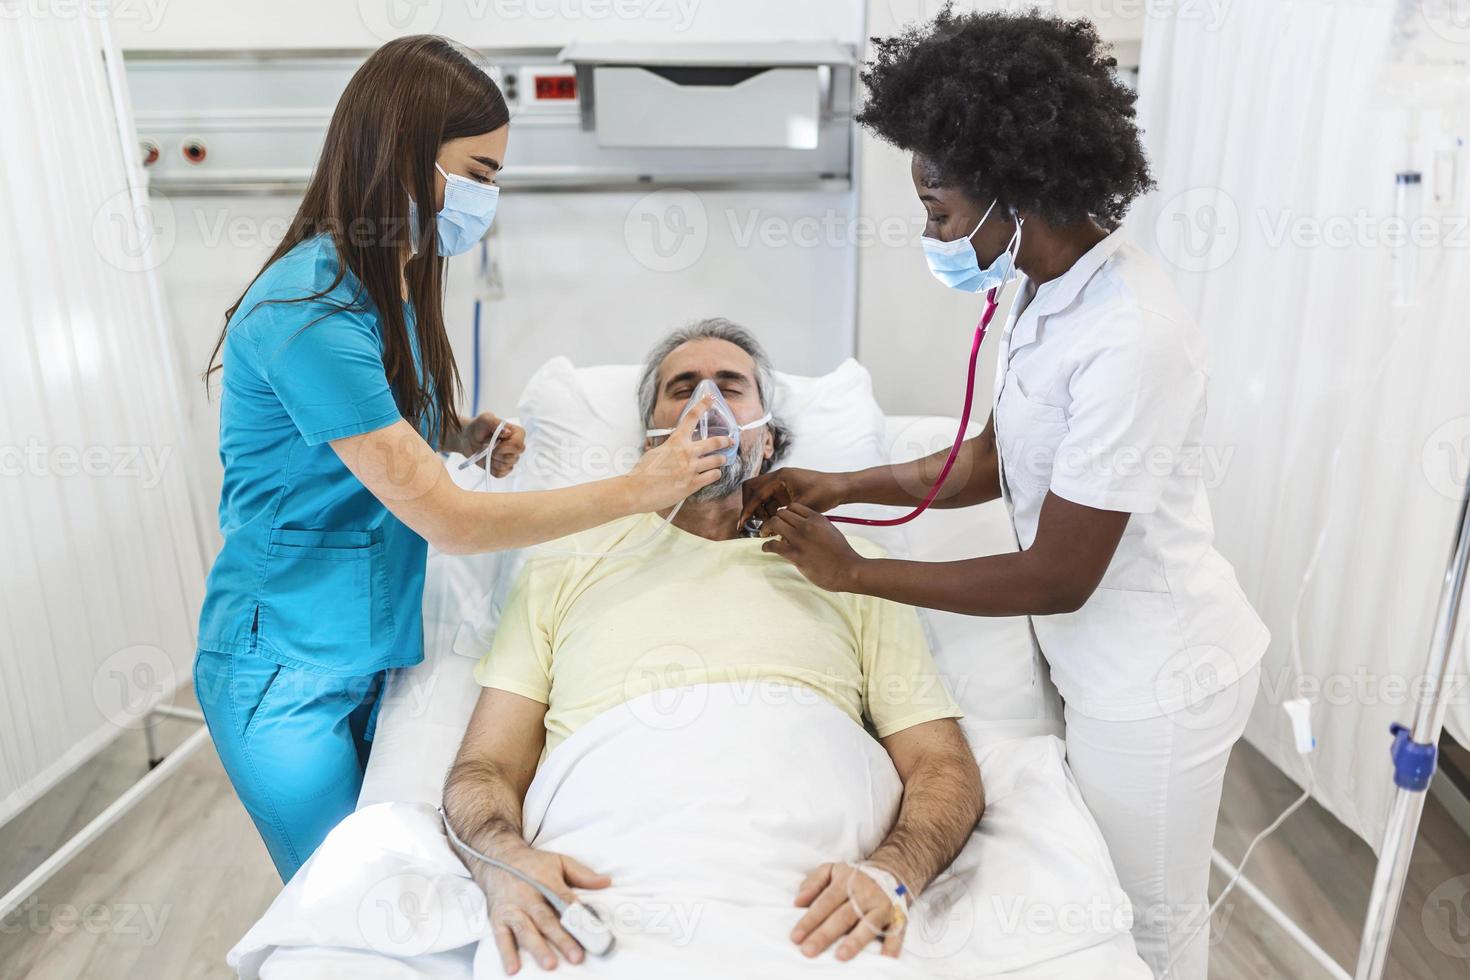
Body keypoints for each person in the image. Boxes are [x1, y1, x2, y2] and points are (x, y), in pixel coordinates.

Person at [740, 11, 1267, 979]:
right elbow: (995, 457)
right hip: (1092, 655)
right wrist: (841, 483)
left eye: (939, 210)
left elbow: (1059, 573)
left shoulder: (1129, 335)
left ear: (1016, 192)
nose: (931, 232)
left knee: (1146, 921)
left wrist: (856, 572)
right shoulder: (1042, 281)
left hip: (1156, 674)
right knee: (1098, 893)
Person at [195, 36, 730, 883]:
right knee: (344, 898)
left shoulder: (390, 275)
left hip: (366, 644)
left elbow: (374, 415)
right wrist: (641, 487)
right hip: (284, 669)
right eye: (478, 173)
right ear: (404, 153)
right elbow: (452, 521)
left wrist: (458, 432)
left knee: (394, 878)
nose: (487, 198)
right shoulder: (309, 309)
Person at [444, 319, 983, 973]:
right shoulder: (564, 561)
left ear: (769, 437)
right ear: (649, 440)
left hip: (811, 896)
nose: (707, 406)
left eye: (731, 387)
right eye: (682, 390)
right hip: (605, 876)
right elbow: (487, 767)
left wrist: (893, 873)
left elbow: (940, 764)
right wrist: (505, 864)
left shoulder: (853, 566)